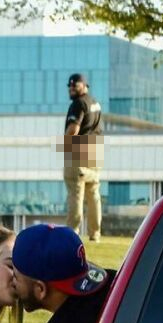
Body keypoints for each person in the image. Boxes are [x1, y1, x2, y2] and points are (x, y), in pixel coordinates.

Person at [62, 72, 103, 242]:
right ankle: (95, 234)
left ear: (85, 86)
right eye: (70, 85)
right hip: (94, 151)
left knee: (75, 193)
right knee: (93, 194)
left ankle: (73, 232)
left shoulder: (78, 104)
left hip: (78, 151)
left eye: (75, 85)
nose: (71, 88)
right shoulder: (95, 103)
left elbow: (73, 129)